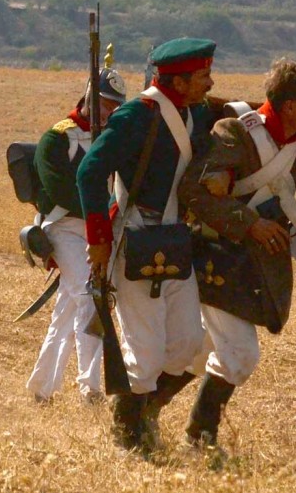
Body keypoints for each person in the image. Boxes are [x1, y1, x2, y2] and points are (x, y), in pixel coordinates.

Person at [175, 58, 296, 450]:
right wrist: (249, 223)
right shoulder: (235, 132)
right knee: (239, 353)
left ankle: (140, 412)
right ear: (290, 107)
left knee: (202, 352)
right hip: (216, 256)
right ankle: (199, 436)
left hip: (257, 266)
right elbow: (194, 192)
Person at [77, 37, 220, 455]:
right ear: (178, 82)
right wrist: (99, 240)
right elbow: (89, 173)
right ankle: (129, 435)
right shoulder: (135, 117)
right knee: (145, 351)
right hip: (135, 238)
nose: (210, 83)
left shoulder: (194, 114)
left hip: (175, 239)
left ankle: (143, 415)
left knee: (188, 344)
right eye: (202, 76)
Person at [25, 67, 126, 404]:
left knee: (68, 310)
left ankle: (41, 389)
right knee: (90, 297)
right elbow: (60, 191)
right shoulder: (57, 137)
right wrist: (99, 208)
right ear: (88, 96)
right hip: (63, 227)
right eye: (103, 103)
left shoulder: (109, 139)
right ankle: (91, 388)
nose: (107, 111)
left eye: (113, 106)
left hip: (95, 228)